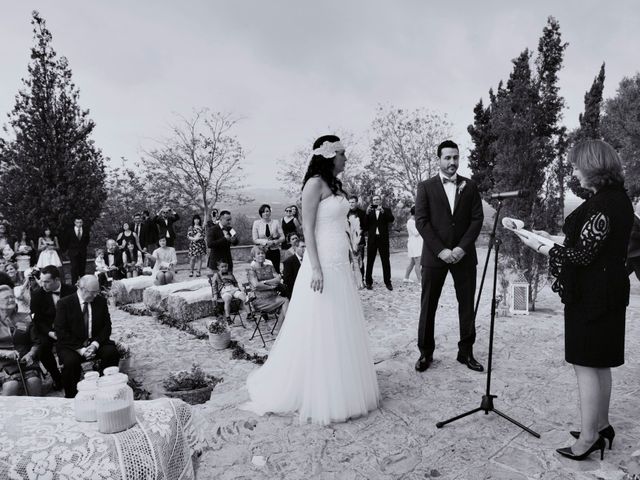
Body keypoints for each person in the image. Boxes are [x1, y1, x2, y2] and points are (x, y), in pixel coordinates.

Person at [241, 135, 380, 425]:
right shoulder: (313, 184)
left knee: (342, 322)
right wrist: (315, 268)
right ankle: (321, 389)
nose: (346, 158)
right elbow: (309, 231)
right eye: (342, 153)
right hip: (323, 264)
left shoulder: (335, 185)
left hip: (341, 261)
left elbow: (341, 224)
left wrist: (351, 251)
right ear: (329, 155)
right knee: (322, 322)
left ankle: (344, 382)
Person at [517, 140, 631, 461]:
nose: (574, 170)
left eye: (577, 165)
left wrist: (540, 246)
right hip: (609, 290)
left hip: (593, 295)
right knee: (600, 362)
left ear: (594, 166)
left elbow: (581, 255)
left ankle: (589, 437)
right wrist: (548, 238)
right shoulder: (617, 200)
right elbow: (589, 245)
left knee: (585, 364)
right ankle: (603, 425)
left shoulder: (602, 205)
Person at [414, 140, 484, 373]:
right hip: (435, 256)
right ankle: (425, 353)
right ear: (439, 159)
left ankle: (466, 352)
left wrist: (462, 248)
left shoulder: (470, 186)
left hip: (464, 256)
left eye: (455, 157)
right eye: (447, 157)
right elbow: (421, 222)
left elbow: (477, 220)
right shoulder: (425, 187)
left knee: (466, 306)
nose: (452, 162)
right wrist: (441, 250)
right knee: (428, 306)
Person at [54, 275, 120, 398]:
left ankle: (107, 388)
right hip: (72, 345)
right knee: (70, 362)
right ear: (82, 289)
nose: (95, 295)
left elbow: (107, 327)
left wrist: (95, 344)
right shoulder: (64, 303)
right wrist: (82, 350)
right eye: (93, 292)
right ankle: (72, 396)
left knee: (111, 352)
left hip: (95, 342)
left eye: (97, 292)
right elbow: (61, 331)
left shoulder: (100, 301)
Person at [30, 265, 75, 390]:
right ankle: (56, 377)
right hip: (48, 330)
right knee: (43, 347)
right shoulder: (37, 294)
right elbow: (36, 319)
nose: (43, 285)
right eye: (41, 281)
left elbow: (78, 314)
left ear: (57, 280)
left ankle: (72, 371)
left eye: (47, 282)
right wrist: (50, 332)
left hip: (68, 328)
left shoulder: (71, 291)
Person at [0, 285, 42, 396]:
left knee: (34, 381)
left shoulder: (25, 317)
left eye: (12, 297)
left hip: (25, 360)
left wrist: (31, 354)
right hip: (3, 363)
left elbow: (36, 342)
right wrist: (5, 353)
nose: (11, 299)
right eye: (6, 298)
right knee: (11, 385)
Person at [246, 246, 289, 326]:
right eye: (258, 254)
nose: (261, 255)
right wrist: (271, 286)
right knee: (286, 301)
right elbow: (256, 285)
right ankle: (287, 327)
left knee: (285, 307)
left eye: (262, 253)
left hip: (274, 297)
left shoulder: (270, 267)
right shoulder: (252, 271)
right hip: (260, 300)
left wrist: (265, 282)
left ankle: (281, 332)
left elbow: (278, 279)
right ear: (254, 257)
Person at [364, 194, 395, 290]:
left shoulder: (386, 210)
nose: (376, 201)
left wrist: (383, 212)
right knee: (370, 261)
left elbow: (391, 219)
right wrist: (366, 213)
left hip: (383, 239)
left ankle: (388, 282)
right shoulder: (369, 211)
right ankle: (368, 282)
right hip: (372, 239)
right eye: (374, 200)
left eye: (377, 199)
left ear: (380, 201)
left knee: (385, 261)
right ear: (372, 202)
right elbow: (365, 225)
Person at [252, 204, 284, 274]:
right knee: (264, 272)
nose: (265, 213)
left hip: (275, 251)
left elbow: (283, 237)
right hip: (262, 252)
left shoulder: (276, 222)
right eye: (263, 212)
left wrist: (276, 241)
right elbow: (255, 239)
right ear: (261, 213)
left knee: (276, 271)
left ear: (270, 212)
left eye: (267, 211)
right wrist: (266, 242)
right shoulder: (256, 223)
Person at [212, 260, 246, 324]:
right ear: (218, 267)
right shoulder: (216, 275)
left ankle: (249, 314)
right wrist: (215, 294)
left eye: (225, 266)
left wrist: (238, 288)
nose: (224, 268)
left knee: (244, 297)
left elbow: (235, 282)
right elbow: (214, 286)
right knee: (227, 300)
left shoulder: (230, 273)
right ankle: (228, 317)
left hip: (233, 289)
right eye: (222, 267)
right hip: (224, 290)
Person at [63, 218, 90, 284]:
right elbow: (66, 241)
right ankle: (74, 284)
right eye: (77, 222)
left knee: (82, 268)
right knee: (74, 267)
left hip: (82, 251)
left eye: (80, 222)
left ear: (82, 223)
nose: (79, 224)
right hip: (73, 252)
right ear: (75, 223)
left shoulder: (85, 230)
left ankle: (83, 283)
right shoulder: (70, 231)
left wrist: (83, 247)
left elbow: (87, 240)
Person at [404, 206, 423, 283]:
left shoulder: (415, 221)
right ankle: (420, 281)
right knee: (418, 263)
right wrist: (421, 223)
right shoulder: (410, 222)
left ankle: (406, 277)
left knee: (412, 262)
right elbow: (416, 233)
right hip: (414, 244)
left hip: (418, 243)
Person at [625, 203, 640, 280]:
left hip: (633, 253)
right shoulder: (634, 219)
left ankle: (612, 284)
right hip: (635, 252)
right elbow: (632, 233)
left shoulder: (637, 219)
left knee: (626, 271)